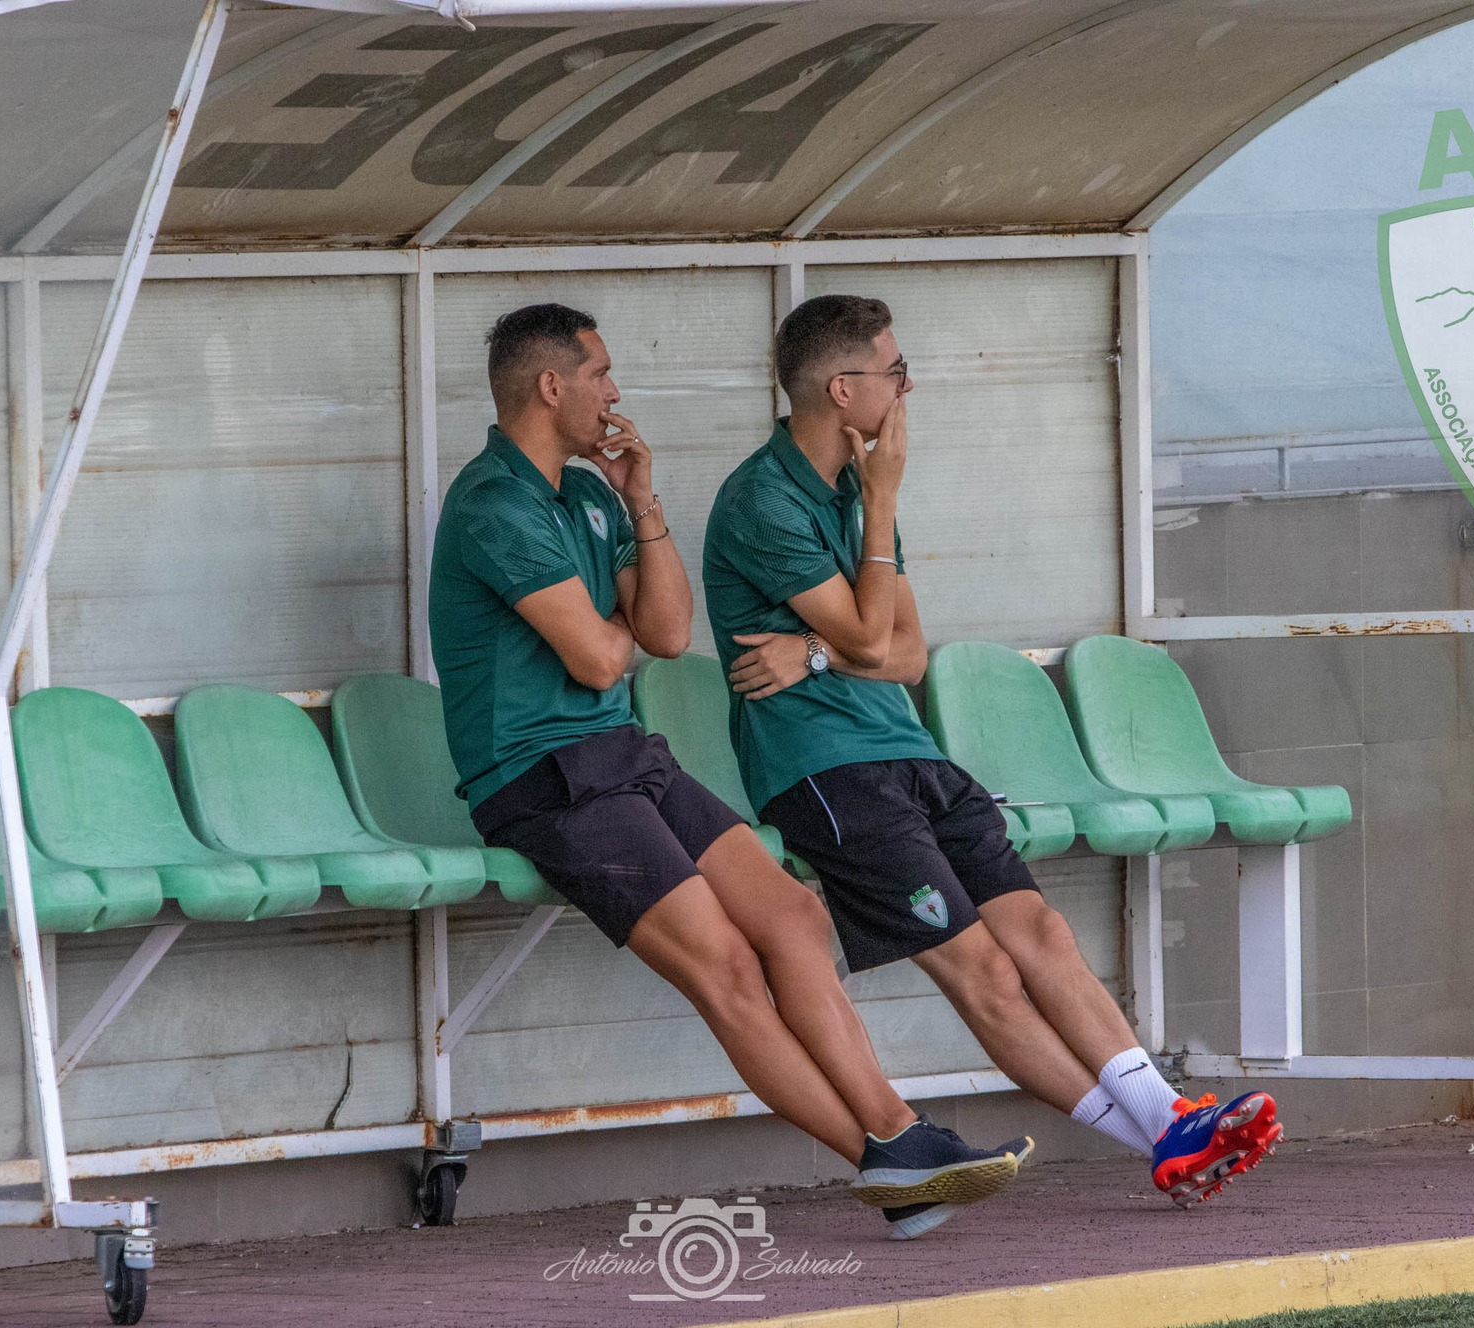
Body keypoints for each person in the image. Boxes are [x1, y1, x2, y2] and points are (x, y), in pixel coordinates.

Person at [429, 302, 1031, 1239]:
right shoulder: (493, 503)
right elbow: (594, 660)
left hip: (625, 755)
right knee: (728, 970)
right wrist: (611, 636)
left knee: (794, 915)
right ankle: (887, 1153)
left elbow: (662, 636)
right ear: (551, 386)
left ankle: (901, 1138)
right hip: (543, 776)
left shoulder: (590, 497)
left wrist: (641, 502)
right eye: (600, 374)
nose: (615, 392)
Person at [701, 294, 1282, 1209]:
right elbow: (868, 624)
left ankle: (1173, 1125)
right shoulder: (762, 502)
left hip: (910, 751)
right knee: (983, 972)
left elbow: (905, 654)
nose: (908, 386)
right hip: (824, 773)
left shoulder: (859, 494)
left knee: (1042, 935)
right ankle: (1169, 1134)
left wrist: (814, 650)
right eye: (894, 372)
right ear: (842, 389)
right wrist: (882, 513)